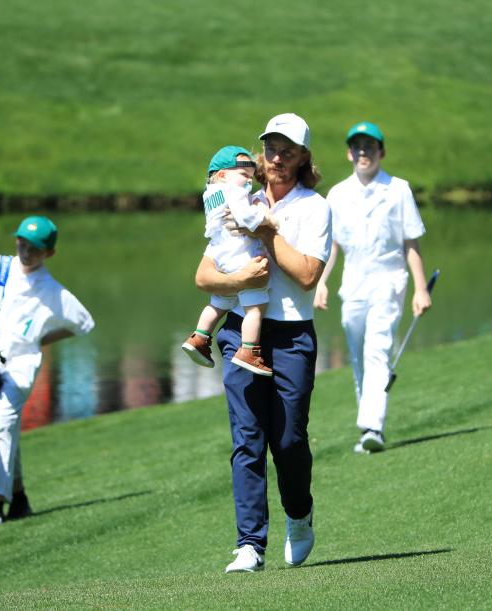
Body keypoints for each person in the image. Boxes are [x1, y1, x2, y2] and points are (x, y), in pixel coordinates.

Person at [195, 113, 330, 573]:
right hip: (239, 330)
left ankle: (299, 515)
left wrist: (267, 231)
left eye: (287, 150)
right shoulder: (239, 196)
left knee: (288, 439)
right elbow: (204, 275)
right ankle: (250, 543)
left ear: (302, 158)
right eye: (270, 148)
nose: (276, 157)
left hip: (292, 335)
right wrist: (239, 277)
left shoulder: (315, 207)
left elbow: (309, 276)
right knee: (247, 438)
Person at [0, 216, 95, 526]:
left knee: (0, 424)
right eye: (22, 242)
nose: (25, 249)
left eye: (34, 247)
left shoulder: (53, 291)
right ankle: (19, 498)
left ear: (49, 253)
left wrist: (39, 340)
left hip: (21, 367)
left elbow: (84, 323)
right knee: (5, 431)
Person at [314, 121, 431, 453]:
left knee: (377, 349)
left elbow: (411, 243)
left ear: (382, 151)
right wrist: (321, 281)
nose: (363, 152)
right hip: (353, 281)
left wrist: (421, 289)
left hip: (389, 278)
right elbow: (331, 246)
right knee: (358, 355)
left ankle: (372, 427)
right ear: (349, 152)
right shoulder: (337, 194)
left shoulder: (398, 189)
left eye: (370, 146)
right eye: (358, 146)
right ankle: (368, 428)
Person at [181, 145, 281, 376]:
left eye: (251, 177)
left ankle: (199, 337)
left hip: (219, 252)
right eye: (244, 175)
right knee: (255, 307)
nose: (249, 182)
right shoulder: (234, 191)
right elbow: (245, 217)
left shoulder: (210, 193)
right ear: (224, 174)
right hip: (239, 252)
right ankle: (249, 351)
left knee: (219, 301)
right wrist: (268, 220)